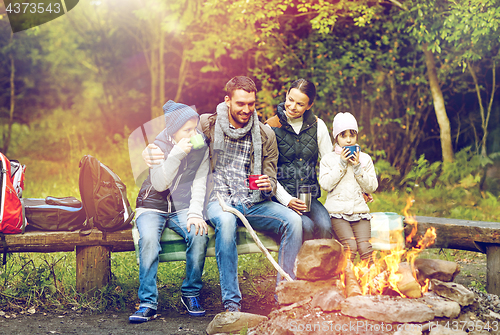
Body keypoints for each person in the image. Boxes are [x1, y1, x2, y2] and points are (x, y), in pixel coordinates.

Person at [129, 100, 210, 323]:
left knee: (198, 233)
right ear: (173, 131)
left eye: (195, 128)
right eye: (187, 130)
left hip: (181, 207)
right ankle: (148, 303)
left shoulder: (200, 145)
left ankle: (190, 293)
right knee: (148, 242)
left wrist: (195, 213)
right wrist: (175, 154)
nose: (194, 133)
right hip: (151, 205)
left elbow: (200, 181)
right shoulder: (157, 147)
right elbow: (160, 184)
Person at [265, 79, 333, 241]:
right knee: (306, 226)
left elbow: (330, 164)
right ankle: (303, 266)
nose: (292, 107)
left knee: (325, 226)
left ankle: (323, 265)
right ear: (286, 95)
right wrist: (287, 200)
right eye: (290, 100)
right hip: (282, 199)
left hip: (309, 197)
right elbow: (267, 172)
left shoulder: (318, 125)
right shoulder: (270, 127)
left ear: (309, 105)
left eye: (300, 104)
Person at [318, 112, 378, 264]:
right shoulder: (328, 159)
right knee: (350, 246)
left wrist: (358, 167)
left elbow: (372, 186)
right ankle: (344, 283)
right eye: (343, 136)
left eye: (352, 135)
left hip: (360, 212)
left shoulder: (364, 159)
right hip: (337, 213)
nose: (349, 140)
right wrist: (342, 164)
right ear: (336, 138)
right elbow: (325, 185)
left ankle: (372, 284)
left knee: (365, 248)